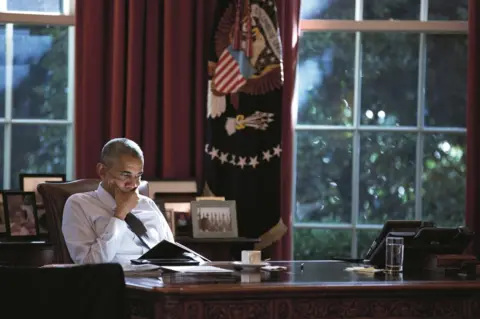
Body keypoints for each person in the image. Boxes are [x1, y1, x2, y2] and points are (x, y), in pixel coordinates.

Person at [62, 138, 174, 264]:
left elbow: (172, 254)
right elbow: (90, 264)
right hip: (114, 281)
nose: (133, 184)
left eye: (138, 176)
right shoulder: (78, 204)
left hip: (158, 279)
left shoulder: (147, 204)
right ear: (102, 171)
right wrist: (120, 215)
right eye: (125, 175)